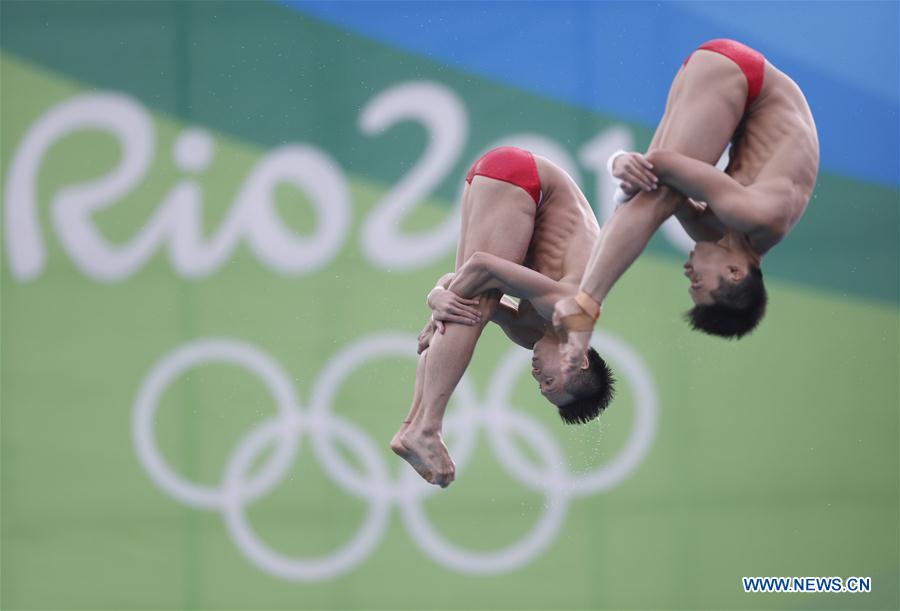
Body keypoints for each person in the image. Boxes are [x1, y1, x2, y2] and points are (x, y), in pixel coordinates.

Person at [553, 38, 819, 374]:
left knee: (655, 198)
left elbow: (655, 182)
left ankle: (585, 304)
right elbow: (663, 166)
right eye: (697, 283)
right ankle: (585, 308)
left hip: (729, 77)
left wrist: (625, 172)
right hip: (740, 75)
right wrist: (619, 163)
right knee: (660, 198)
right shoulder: (757, 215)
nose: (687, 273)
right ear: (735, 273)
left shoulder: (719, 233)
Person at [390, 146, 614, 488]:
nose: (537, 376)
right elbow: (480, 269)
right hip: (525, 180)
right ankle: (427, 427)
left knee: (471, 305)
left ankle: (412, 426)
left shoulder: (530, 334)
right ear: (580, 359)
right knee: (475, 306)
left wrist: (435, 295)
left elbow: (456, 285)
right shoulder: (571, 310)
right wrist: (435, 313)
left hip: (497, 177)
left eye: (540, 387)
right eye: (549, 381)